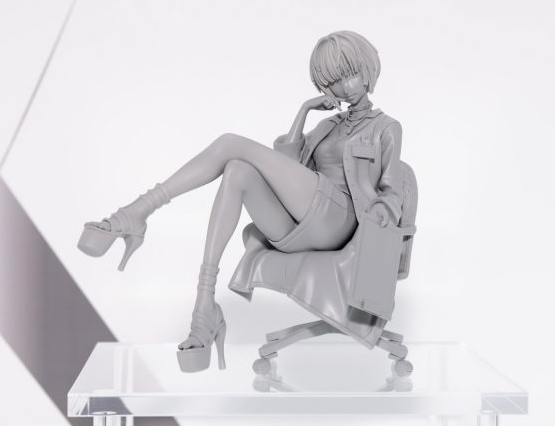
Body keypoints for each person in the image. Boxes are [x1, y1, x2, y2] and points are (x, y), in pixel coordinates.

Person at [77, 30, 404, 372]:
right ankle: (205, 306)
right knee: (237, 171)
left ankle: (136, 212)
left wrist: (384, 209)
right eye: (334, 80)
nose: (344, 86)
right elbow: (289, 169)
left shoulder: (386, 127)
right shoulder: (327, 127)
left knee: (231, 143)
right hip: (302, 225)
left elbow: (393, 189)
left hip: (341, 220)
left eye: (350, 74)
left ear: (368, 69)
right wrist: (304, 110)